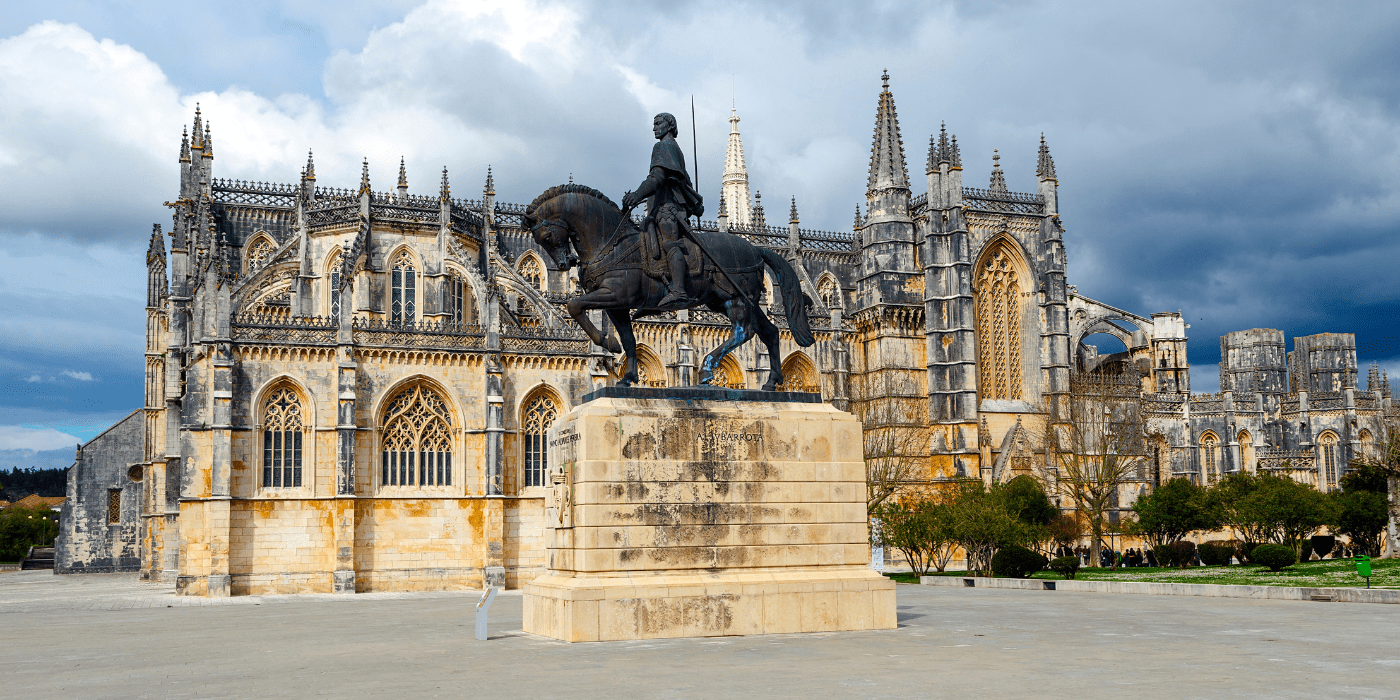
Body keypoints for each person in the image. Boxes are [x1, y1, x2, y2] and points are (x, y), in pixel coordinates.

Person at [621, 112, 705, 308]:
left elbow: (656, 178)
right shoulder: (675, 150)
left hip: (668, 208)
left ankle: (678, 291)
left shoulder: (663, 147)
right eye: (654, 123)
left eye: (658, 123)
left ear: (670, 126)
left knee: (670, 244)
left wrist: (636, 195)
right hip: (664, 207)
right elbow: (686, 182)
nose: (654, 127)